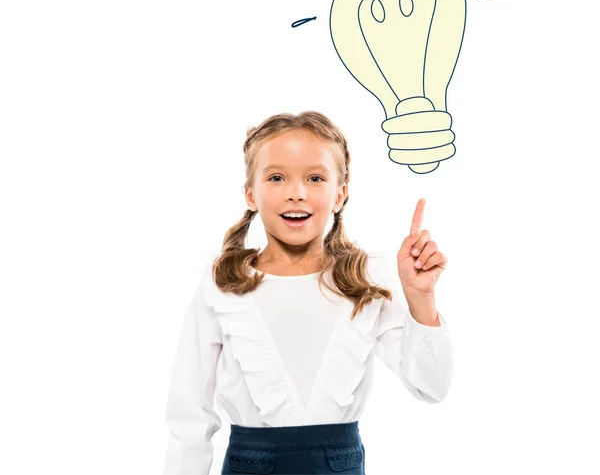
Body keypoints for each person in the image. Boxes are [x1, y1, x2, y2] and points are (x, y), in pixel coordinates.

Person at [161, 111, 454, 475]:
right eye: (276, 177)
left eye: (315, 178)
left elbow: (431, 387)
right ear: (251, 194)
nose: (296, 193)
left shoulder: (367, 280)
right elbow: (190, 416)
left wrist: (420, 296)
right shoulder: (221, 284)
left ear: (339, 194)